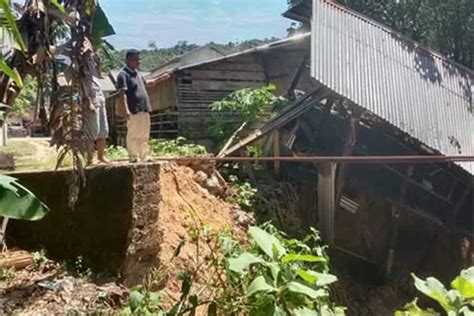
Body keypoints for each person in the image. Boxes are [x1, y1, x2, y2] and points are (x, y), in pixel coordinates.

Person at [116, 49, 157, 162]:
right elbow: (122, 94)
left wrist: (160, 79)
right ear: (128, 60)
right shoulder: (123, 75)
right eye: (136, 59)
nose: (138, 62)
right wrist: (125, 109)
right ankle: (134, 156)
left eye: (139, 59)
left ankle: (144, 155)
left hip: (144, 107)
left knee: (144, 133)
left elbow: (147, 84)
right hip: (133, 108)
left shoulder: (138, 74)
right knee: (134, 133)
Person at [83, 47, 109, 165]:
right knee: (93, 130)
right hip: (91, 98)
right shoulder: (83, 66)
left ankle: (101, 156)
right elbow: (82, 86)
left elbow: (100, 75)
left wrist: (99, 64)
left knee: (103, 130)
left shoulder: (94, 67)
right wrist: (89, 102)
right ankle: (90, 158)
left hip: (100, 96)